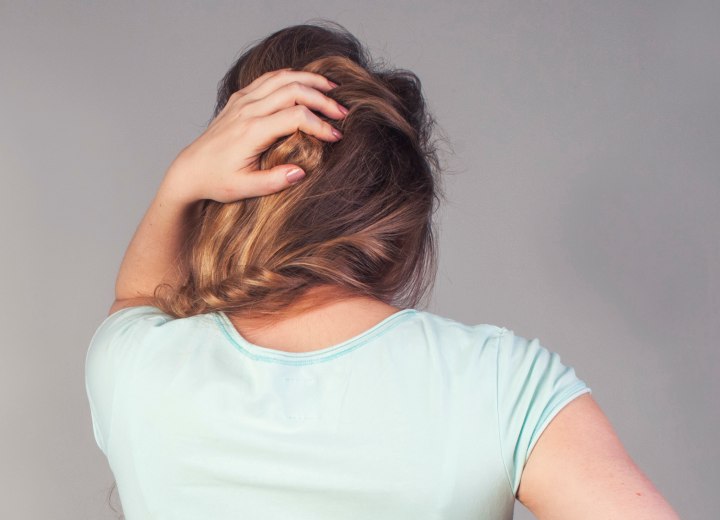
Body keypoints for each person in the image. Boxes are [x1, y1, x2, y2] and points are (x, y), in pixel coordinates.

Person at [84, 20, 680, 520]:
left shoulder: (138, 368)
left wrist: (179, 185)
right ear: (400, 218)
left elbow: (138, 296)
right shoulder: (501, 382)